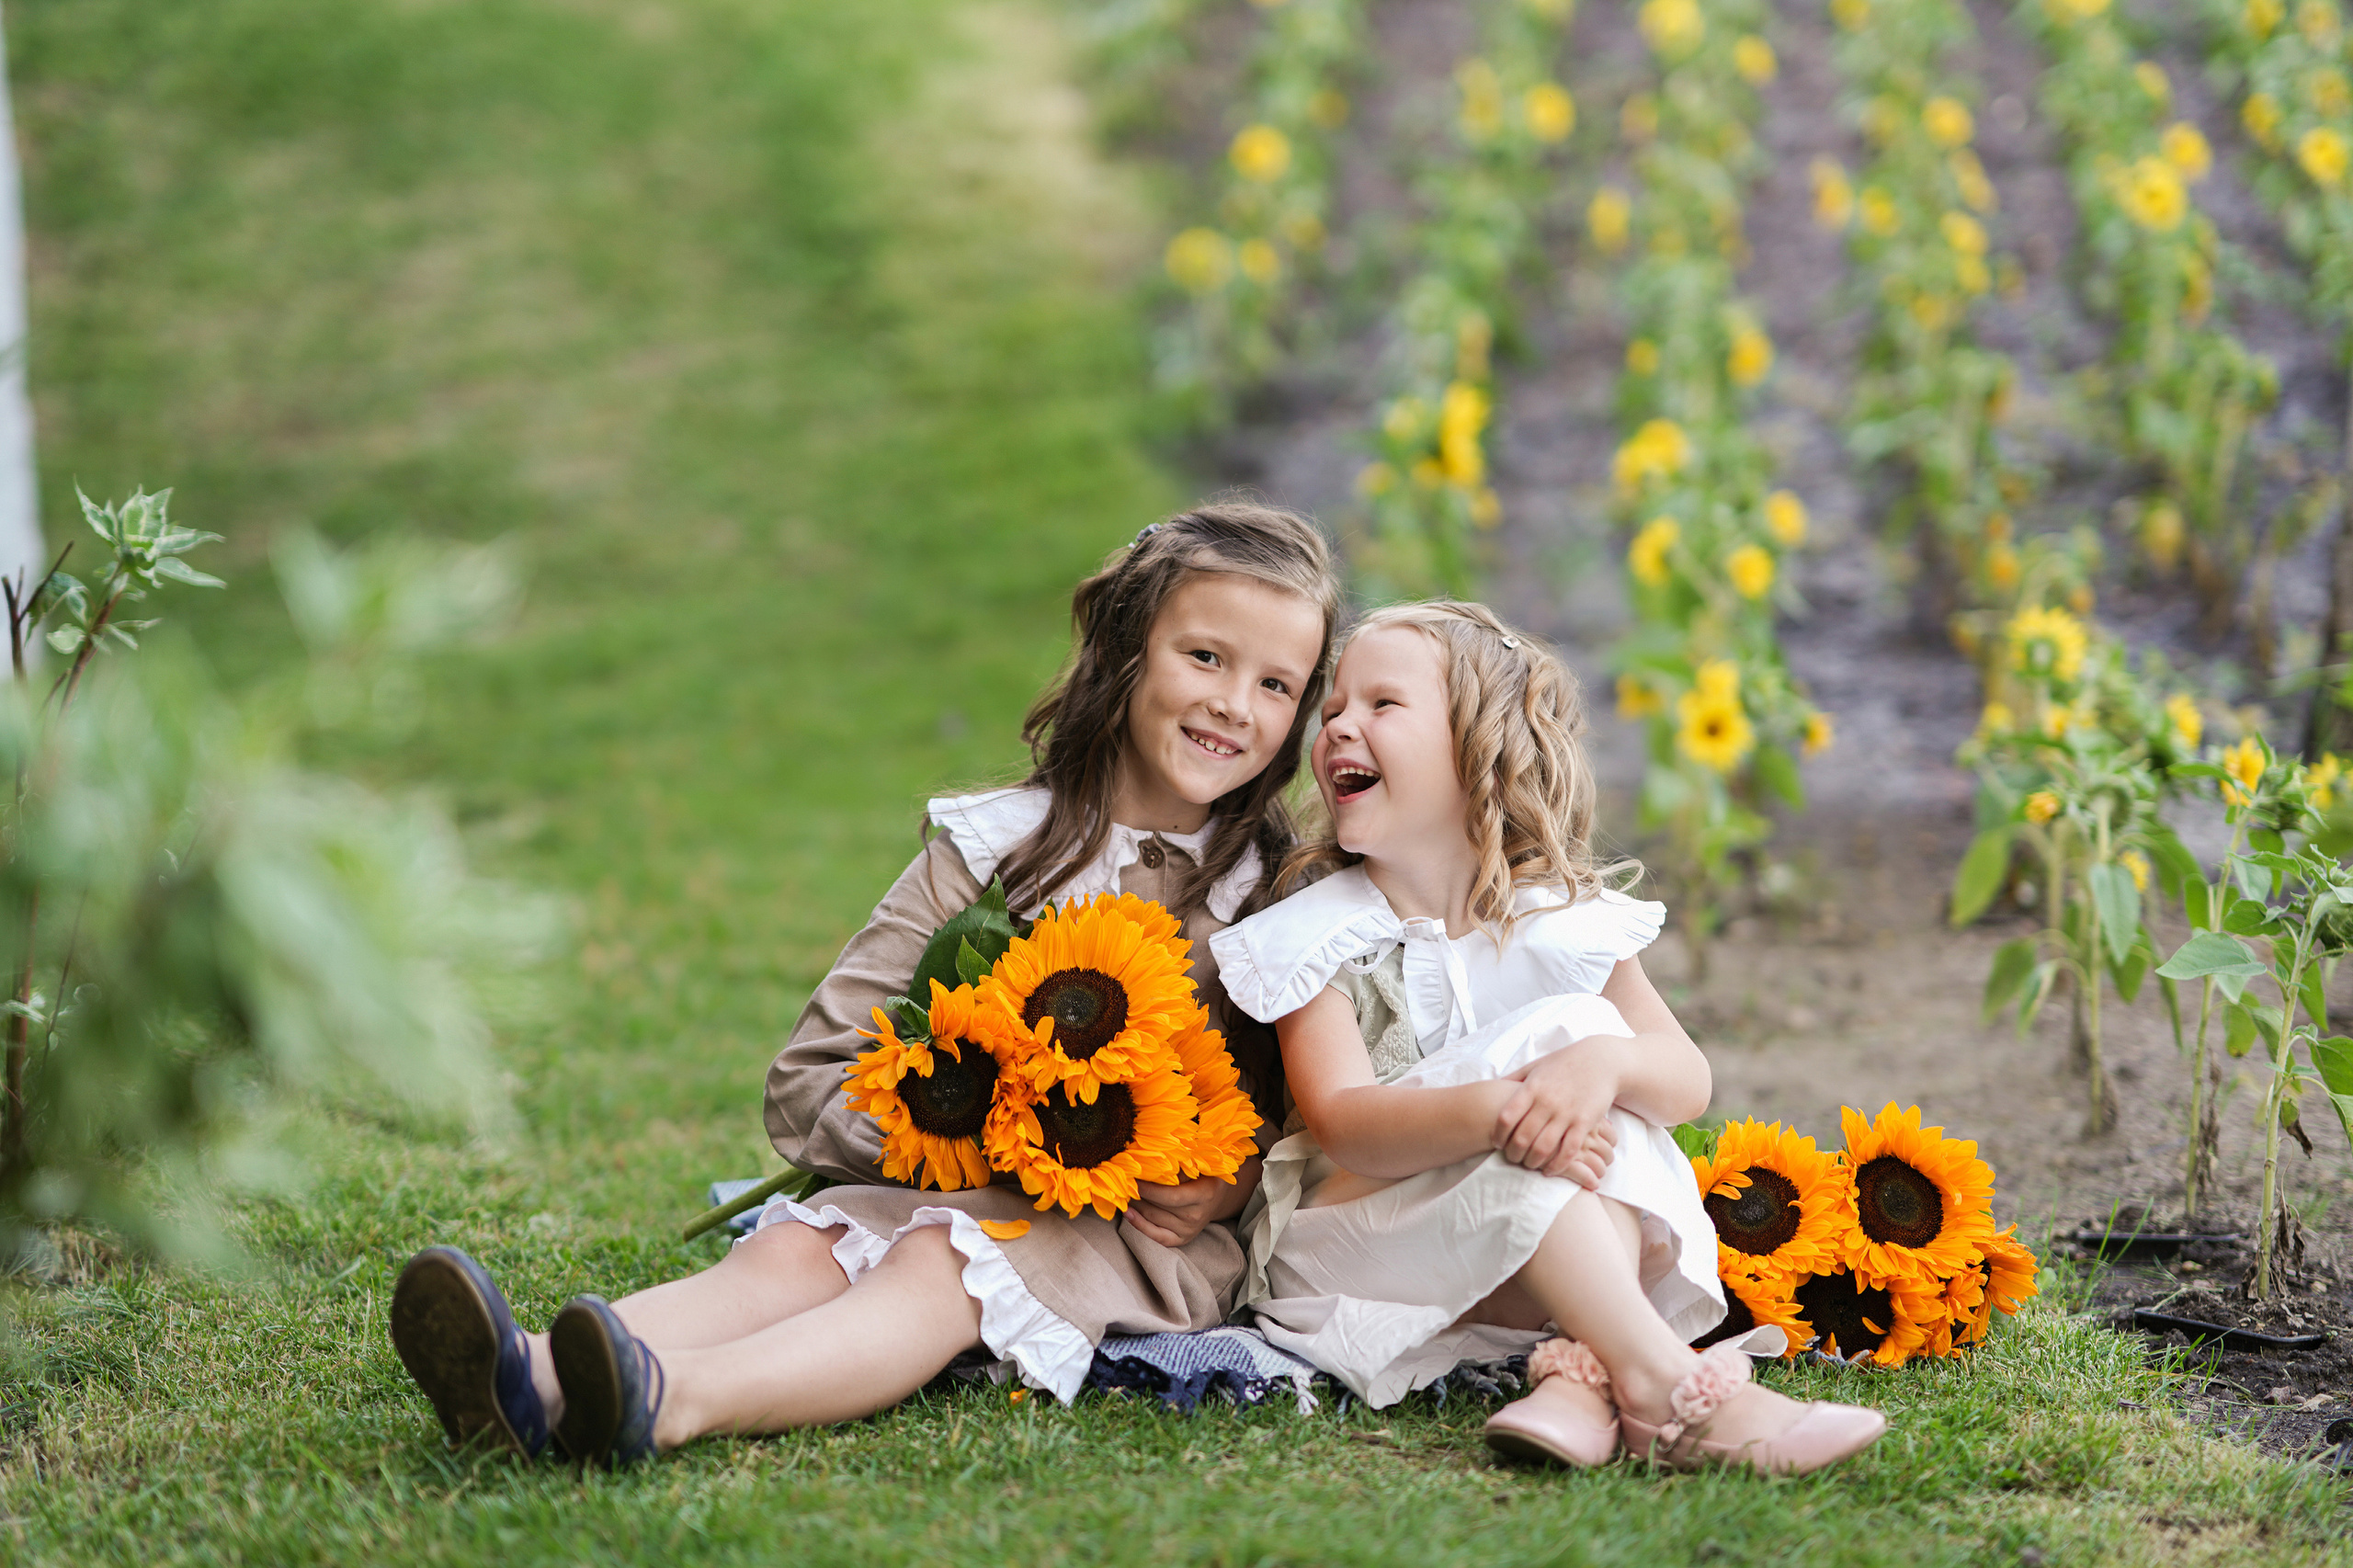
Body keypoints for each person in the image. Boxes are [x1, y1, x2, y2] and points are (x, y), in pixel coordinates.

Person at [386, 502, 1342, 1465]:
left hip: (1133, 1240)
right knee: (802, 1242)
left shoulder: (1277, 897)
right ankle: (531, 1372)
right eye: (1207, 658)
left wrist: (1229, 1184)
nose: (1234, 704)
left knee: (937, 1259)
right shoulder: (991, 851)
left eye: (1275, 683)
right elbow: (809, 1079)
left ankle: (667, 1398)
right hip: (957, 1182)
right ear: (1128, 651)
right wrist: (969, 1122)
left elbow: (1312, 1115)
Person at [1208, 601, 1885, 1475]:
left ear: (1476, 748)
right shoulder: (1318, 934)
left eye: (1382, 704)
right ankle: (1671, 1392)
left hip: (1516, 1264)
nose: (1339, 725)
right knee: (1565, 1063)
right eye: (1333, 707)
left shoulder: (1562, 923)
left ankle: (1580, 1375)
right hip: (1360, 1249)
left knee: (1596, 1055)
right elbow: (1343, 1124)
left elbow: (1686, 1081)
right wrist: (1503, 1112)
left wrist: (1596, 1068)